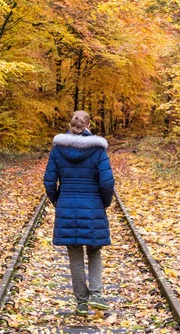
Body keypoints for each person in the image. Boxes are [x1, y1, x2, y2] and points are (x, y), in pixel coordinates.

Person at [43, 110, 115, 316]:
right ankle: (97, 295)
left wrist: (58, 200)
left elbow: (49, 181)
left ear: (70, 124)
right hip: (92, 204)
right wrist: (104, 202)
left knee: (74, 254)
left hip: (67, 204)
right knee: (94, 251)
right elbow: (107, 182)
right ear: (88, 125)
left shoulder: (58, 150)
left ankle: (82, 303)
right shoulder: (98, 150)